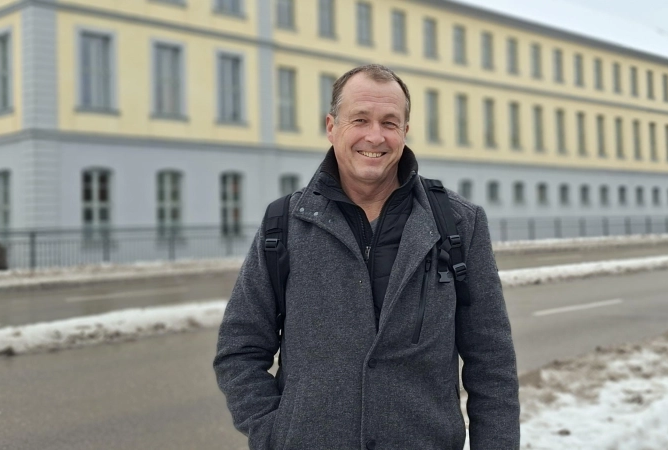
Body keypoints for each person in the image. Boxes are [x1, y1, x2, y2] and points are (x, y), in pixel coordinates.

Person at [214, 64, 519, 449]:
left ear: (405, 132)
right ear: (331, 127)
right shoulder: (284, 224)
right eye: (359, 119)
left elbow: (492, 363)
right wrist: (275, 432)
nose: (375, 136)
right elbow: (239, 349)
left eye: (390, 123)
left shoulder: (459, 223)